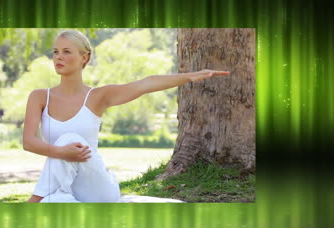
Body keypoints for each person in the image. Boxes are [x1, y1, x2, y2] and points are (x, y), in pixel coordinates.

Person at [23, 29, 229, 203]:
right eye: (56, 52)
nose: (58, 57)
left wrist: (188, 76)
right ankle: (46, 200)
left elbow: (144, 84)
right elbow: (29, 142)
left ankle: (34, 200)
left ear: (84, 57)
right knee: (56, 202)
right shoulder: (40, 97)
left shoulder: (97, 96)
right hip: (61, 186)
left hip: (96, 187)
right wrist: (63, 153)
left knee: (71, 140)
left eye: (66, 51)